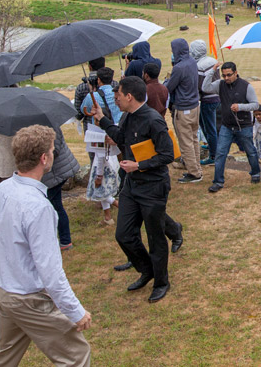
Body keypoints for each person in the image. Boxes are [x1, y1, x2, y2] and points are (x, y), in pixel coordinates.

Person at [0, 125, 92, 366]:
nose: (54, 154)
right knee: (76, 354)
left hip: (4, 290)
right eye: (52, 151)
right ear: (44, 158)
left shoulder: (1, 190)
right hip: (25, 297)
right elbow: (50, 271)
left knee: (5, 353)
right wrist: (76, 311)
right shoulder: (38, 207)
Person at [91, 76, 175, 303]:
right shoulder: (128, 117)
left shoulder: (153, 120)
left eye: (118, 95)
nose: (115, 99)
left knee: (155, 237)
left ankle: (161, 281)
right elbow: (121, 138)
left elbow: (168, 154)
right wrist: (103, 120)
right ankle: (146, 270)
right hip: (132, 186)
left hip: (153, 187)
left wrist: (140, 165)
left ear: (129, 96)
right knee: (124, 234)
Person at [202, 61, 261, 193]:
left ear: (236, 73)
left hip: (244, 125)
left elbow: (255, 105)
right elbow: (205, 88)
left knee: (250, 151)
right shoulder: (220, 84)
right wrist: (212, 71)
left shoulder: (246, 86)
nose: (226, 78)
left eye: (229, 75)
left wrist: (240, 107)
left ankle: (255, 173)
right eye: (224, 75)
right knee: (220, 154)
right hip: (227, 126)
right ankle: (218, 181)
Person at [165, 39, 202, 184]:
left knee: (186, 142)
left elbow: (169, 87)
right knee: (193, 139)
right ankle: (196, 167)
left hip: (183, 108)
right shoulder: (192, 61)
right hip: (195, 106)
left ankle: (194, 173)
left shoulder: (179, 67)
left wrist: (166, 82)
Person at [41, 126, 80, 251]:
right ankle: (62, 241)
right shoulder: (47, 123)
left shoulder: (50, 125)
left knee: (55, 207)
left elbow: (55, 150)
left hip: (55, 172)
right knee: (55, 206)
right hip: (54, 172)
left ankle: (64, 241)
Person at [189, 40, 220, 166]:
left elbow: (199, 86)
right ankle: (212, 145)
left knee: (209, 127)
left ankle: (213, 154)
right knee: (204, 123)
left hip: (207, 99)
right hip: (217, 96)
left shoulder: (199, 66)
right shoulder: (212, 60)